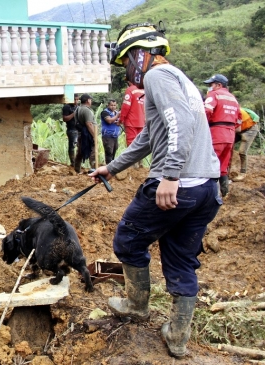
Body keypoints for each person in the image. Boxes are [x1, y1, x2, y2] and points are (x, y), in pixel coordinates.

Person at [91, 23, 221, 358]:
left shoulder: (157, 77)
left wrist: (170, 175)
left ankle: (137, 306)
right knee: (180, 257)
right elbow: (150, 136)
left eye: (126, 62)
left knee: (128, 241)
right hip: (206, 187)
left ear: (141, 54)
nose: (127, 71)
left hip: (180, 183)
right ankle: (178, 335)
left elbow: (180, 122)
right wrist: (112, 167)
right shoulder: (180, 79)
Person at [203, 74, 241, 196]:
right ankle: (224, 191)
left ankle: (208, 194)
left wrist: (201, 125)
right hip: (230, 135)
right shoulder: (233, 98)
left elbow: (207, 111)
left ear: (219, 85)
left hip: (216, 133)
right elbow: (239, 120)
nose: (210, 88)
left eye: (211, 85)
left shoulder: (214, 94)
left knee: (209, 163)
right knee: (223, 164)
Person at [232, 107, 259, 182]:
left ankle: (243, 173)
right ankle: (225, 170)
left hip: (250, 129)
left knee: (242, 151)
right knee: (227, 146)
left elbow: (237, 129)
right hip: (239, 128)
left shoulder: (237, 111)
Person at [74, 93, 97, 173]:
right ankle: (94, 170)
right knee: (93, 152)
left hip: (81, 134)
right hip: (87, 135)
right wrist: (94, 135)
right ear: (88, 100)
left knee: (80, 151)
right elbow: (89, 124)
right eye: (90, 100)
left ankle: (76, 169)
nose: (91, 101)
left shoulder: (78, 109)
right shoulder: (86, 110)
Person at [119, 80, 145, 147]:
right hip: (142, 122)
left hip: (131, 122)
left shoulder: (130, 90)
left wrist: (121, 120)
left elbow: (126, 107)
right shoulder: (143, 90)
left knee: (131, 145)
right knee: (139, 144)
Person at [100, 99, 121, 164]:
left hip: (115, 135)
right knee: (109, 152)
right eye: (111, 105)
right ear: (108, 105)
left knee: (114, 152)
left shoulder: (116, 112)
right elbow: (109, 120)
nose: (113, 107)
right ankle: (108, 168)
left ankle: (111, 167)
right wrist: (117, 116)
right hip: (107, 135)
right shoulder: (104, 112)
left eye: (114, 105)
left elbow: (121, 120)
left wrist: (119, 122)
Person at [62, 94, 80, 166]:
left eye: (77, 100)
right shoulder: (67, 107)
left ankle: (77, 162)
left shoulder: (78, 107)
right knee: (72, 146)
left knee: (79, 146)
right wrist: (74, 114)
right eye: (74, 99)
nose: (76, 101)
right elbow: (65, 119)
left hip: (78, 129)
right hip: (72, 129)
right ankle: (73, 162)